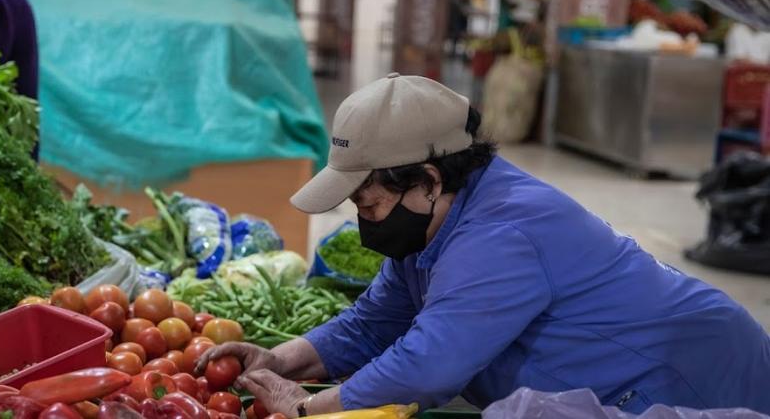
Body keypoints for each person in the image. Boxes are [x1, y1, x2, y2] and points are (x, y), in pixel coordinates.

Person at [199, 74, 770, 416]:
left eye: (368, 205)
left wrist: (301, 407)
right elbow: (374, 322)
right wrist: (280, 360)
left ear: (426, 179)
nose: (362, 220)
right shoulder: (432, 223)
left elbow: (427, 367)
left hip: (686, 378)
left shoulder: (502, 234)